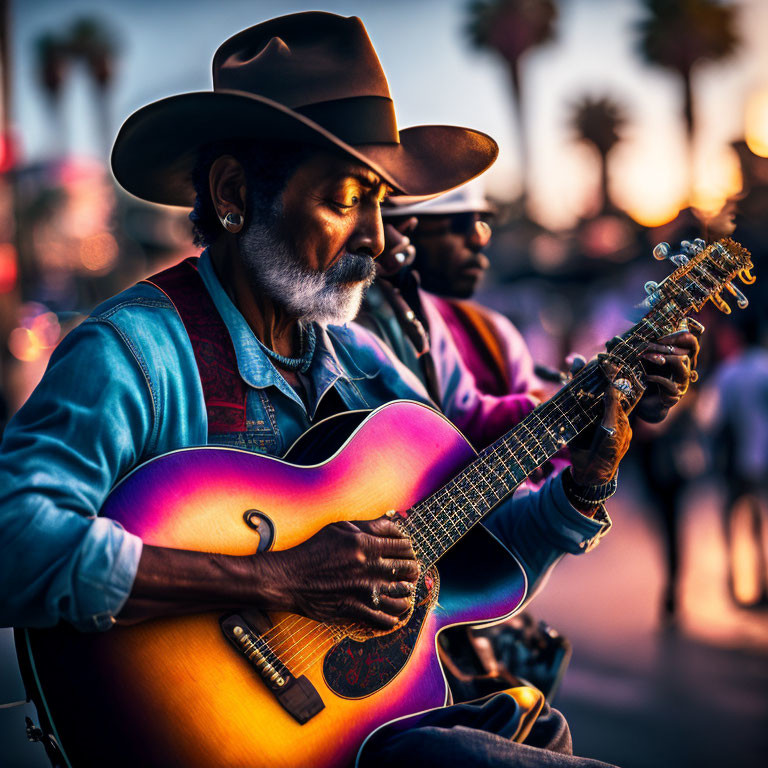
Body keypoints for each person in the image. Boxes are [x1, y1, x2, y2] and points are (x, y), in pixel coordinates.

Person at [0, 12, 698, 767]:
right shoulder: (134, 352)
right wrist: (273, 578)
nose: (373, 236)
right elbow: (15, 540)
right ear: (234, 193)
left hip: (359, 734)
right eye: (343, 199)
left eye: (377, 201)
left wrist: (584, 488)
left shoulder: (363, 361)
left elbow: (473, 556)